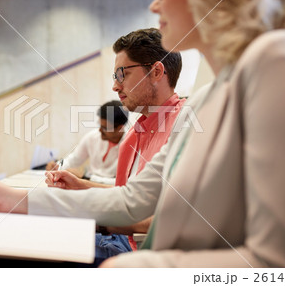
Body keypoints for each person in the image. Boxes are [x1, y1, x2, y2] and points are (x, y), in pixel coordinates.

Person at [0, 0, 285, 267]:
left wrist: (139, 269)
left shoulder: (280, 60)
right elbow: (133, 199)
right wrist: (13, 200)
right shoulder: (205, 100)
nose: (154, 4)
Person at [45, 28, 185, 263]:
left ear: (156, 71)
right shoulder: (134, 133)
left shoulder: (183, 128)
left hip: (140, 254)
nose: (115, 86)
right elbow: (130, 199)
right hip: (123, 240)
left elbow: (171, 219)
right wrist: (80, 186)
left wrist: (99, 220)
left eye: (122, 74)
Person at [46, 100, 128, 185]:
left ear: (120, 128)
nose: (100, 130)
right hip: (89, 185)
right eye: (100, 125)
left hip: (112, 191)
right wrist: (57, 166)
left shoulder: (132, 145)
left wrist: (86, 177)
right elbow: (74, 159)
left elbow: (125, 183)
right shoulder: (93, 137)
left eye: (105, 128)